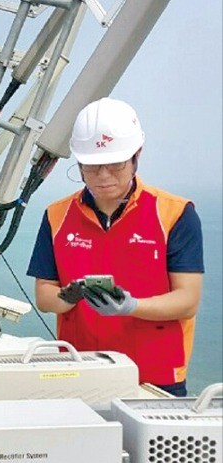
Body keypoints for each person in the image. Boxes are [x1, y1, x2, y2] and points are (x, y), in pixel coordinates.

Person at [27, 98, 204, 397]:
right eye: (93, 167)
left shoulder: (175, 213)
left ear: (137, 156)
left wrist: (132, 306)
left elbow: (188, 300)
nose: (104, 176)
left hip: (155, 376)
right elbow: (45, 295)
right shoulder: (57, 215)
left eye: (115, 164)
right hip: (81, 369)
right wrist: (70, 295)